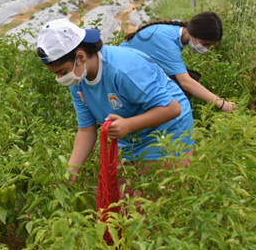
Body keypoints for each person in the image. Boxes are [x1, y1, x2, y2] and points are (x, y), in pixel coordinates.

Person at [36, 18, 194, 184]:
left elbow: (172, 108)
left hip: (167, 130)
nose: (59, 78)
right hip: (129, 134)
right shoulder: (77, 79)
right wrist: (69, 176)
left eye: (62, 71)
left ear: (81, 56)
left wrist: (128, 125)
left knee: (153, 196)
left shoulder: (124, 70)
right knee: (124, 199)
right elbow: (86, 130)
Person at [119, 12, 236, 112]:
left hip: (132, 67)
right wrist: (221, 104)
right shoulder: (168, 44)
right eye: (206, 44)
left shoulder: (177, 28)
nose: (207, 49)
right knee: (180, 88)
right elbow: (186, 82)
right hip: (120, 74)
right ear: (195, 33)